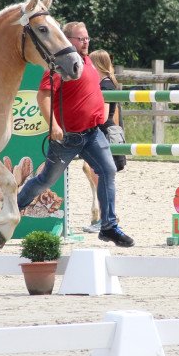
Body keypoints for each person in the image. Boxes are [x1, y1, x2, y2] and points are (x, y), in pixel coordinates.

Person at [17, 21, 134, 247]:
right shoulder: (61, 66)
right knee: (44, 181)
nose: (86, 42)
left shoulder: (89, 62)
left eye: (87, 38)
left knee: (108, 170)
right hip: (67, 138)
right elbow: (43, 96)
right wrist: (53, 125)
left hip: (92, 134)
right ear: (68, 40)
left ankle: (108, 226)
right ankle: (14, 207)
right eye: (81, 39)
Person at [81, 49, 127, 233]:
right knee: (98, 176)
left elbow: (103, 113)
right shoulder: (104, 82)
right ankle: (104, 217)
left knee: (101, 177)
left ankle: (107, 218)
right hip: (100, 131)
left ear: (96, 64)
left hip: (102, 132)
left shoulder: (106, 85)